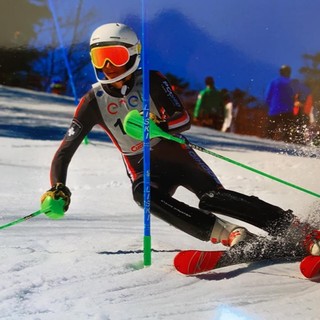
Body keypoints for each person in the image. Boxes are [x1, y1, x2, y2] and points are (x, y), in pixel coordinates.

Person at [41, 23, 319, 256]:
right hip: (144, 168)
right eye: (100, 58)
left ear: (132, 54)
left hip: (178, 156)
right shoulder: (92, 101)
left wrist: (159, 125)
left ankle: (294, 228)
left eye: (114, 55)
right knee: (144, 194)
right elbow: (66, 149)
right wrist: (58, 187)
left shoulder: (151, 80)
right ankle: (231, 234)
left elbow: (182, 118)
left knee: (212, 199)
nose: (109, 66)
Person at [265, 65, 297, 142]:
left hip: (275, 109)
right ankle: (286, 145)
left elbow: (268, 95)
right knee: (287, 131)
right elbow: (296, 95)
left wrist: (269, 105)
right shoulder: (292, 83)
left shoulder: (274, 82)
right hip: (288, 110)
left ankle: (266, 144)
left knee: (270, 129)